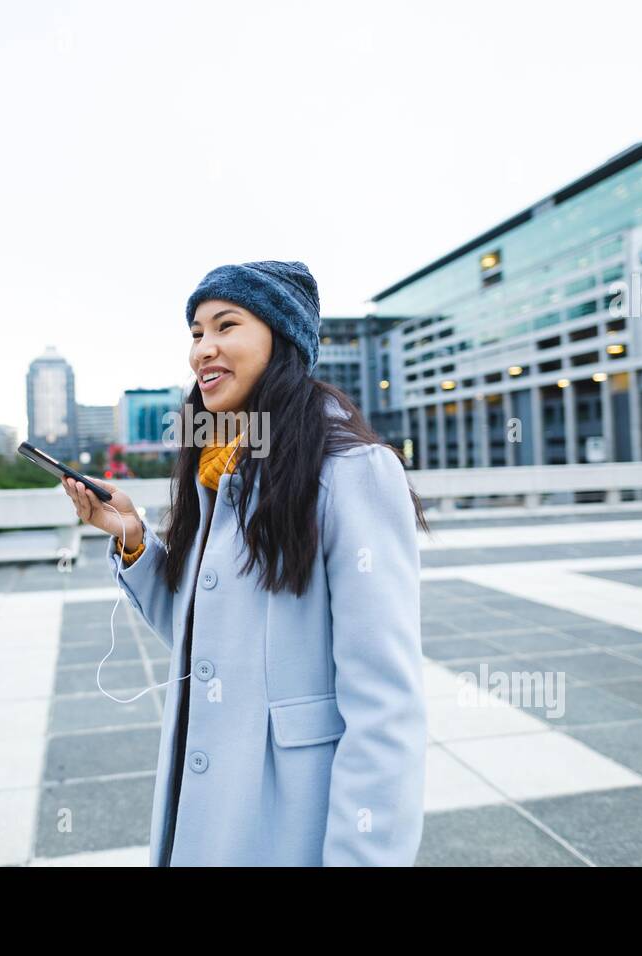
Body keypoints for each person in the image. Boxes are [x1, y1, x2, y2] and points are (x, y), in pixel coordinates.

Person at [62, 259, 430, 866]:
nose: (202, 349)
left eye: (225, 326)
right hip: (206, 815)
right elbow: (203, 634)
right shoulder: (222, 470)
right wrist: (132, 537)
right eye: (196, 333)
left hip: (291, 826)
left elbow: (386, 706)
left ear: (280, 340)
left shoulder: (351, 472)